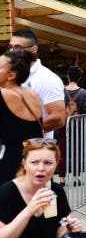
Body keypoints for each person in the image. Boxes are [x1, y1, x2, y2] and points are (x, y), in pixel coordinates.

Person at [0, 137, 83, 238]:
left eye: (48, 163)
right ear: (24, 163)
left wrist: (69, 230)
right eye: (34, 162)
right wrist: (29, 210)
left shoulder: (56, 190)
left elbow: (59, 233)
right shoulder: (7, 193)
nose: (41, 168)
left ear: (56, 164)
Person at [9, 29, 66, 136]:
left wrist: (18, 130)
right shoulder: (12, 74)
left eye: (18, 47)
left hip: (36, 149)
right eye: (11, 47)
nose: (12, 52)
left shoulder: (46, 78)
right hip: (11, 148)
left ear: (34, 49)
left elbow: (58, 118)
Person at [0, 50, 45, 184]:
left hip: (12, 162)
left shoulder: (4, 94)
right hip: (34, 161)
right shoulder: (31, 93)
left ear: (11, 75)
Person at [60, 66, 86, 185]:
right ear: (79, 78)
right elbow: (85, 111)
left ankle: (62, 179)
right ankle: (76, 179)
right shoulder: (83, 92)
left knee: (62, 151)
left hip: (63, 124)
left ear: (68, 77)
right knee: (77, 151)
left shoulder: (62, 90)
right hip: (77, 124)